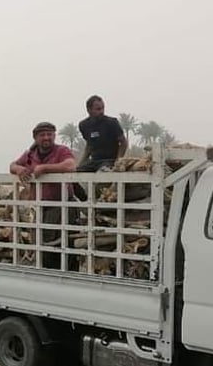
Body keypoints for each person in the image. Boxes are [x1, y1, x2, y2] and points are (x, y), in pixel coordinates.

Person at [10, 122, 77, 268]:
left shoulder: (61, 151)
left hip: (61, 206)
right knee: (42, 246)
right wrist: (19, 169)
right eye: (42, 135)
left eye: (49, 134)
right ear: (35, 137)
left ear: (54, 135)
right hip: (39, 208)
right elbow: (12, 165)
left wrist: (46, 168)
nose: (46, 138)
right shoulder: (30, 155)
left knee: (62, 245)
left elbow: (70, 165)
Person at [76, 95, 127, 172]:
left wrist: (118, 160)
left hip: (109, 160)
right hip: (94, 161)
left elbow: (123, 142)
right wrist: (81, 163)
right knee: (77, 173)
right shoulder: (83, 125)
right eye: (98, 109)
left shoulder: (112, 123)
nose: (101, 112)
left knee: (103, 172)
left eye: (103, 108)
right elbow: (89, 146)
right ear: (89, 110)